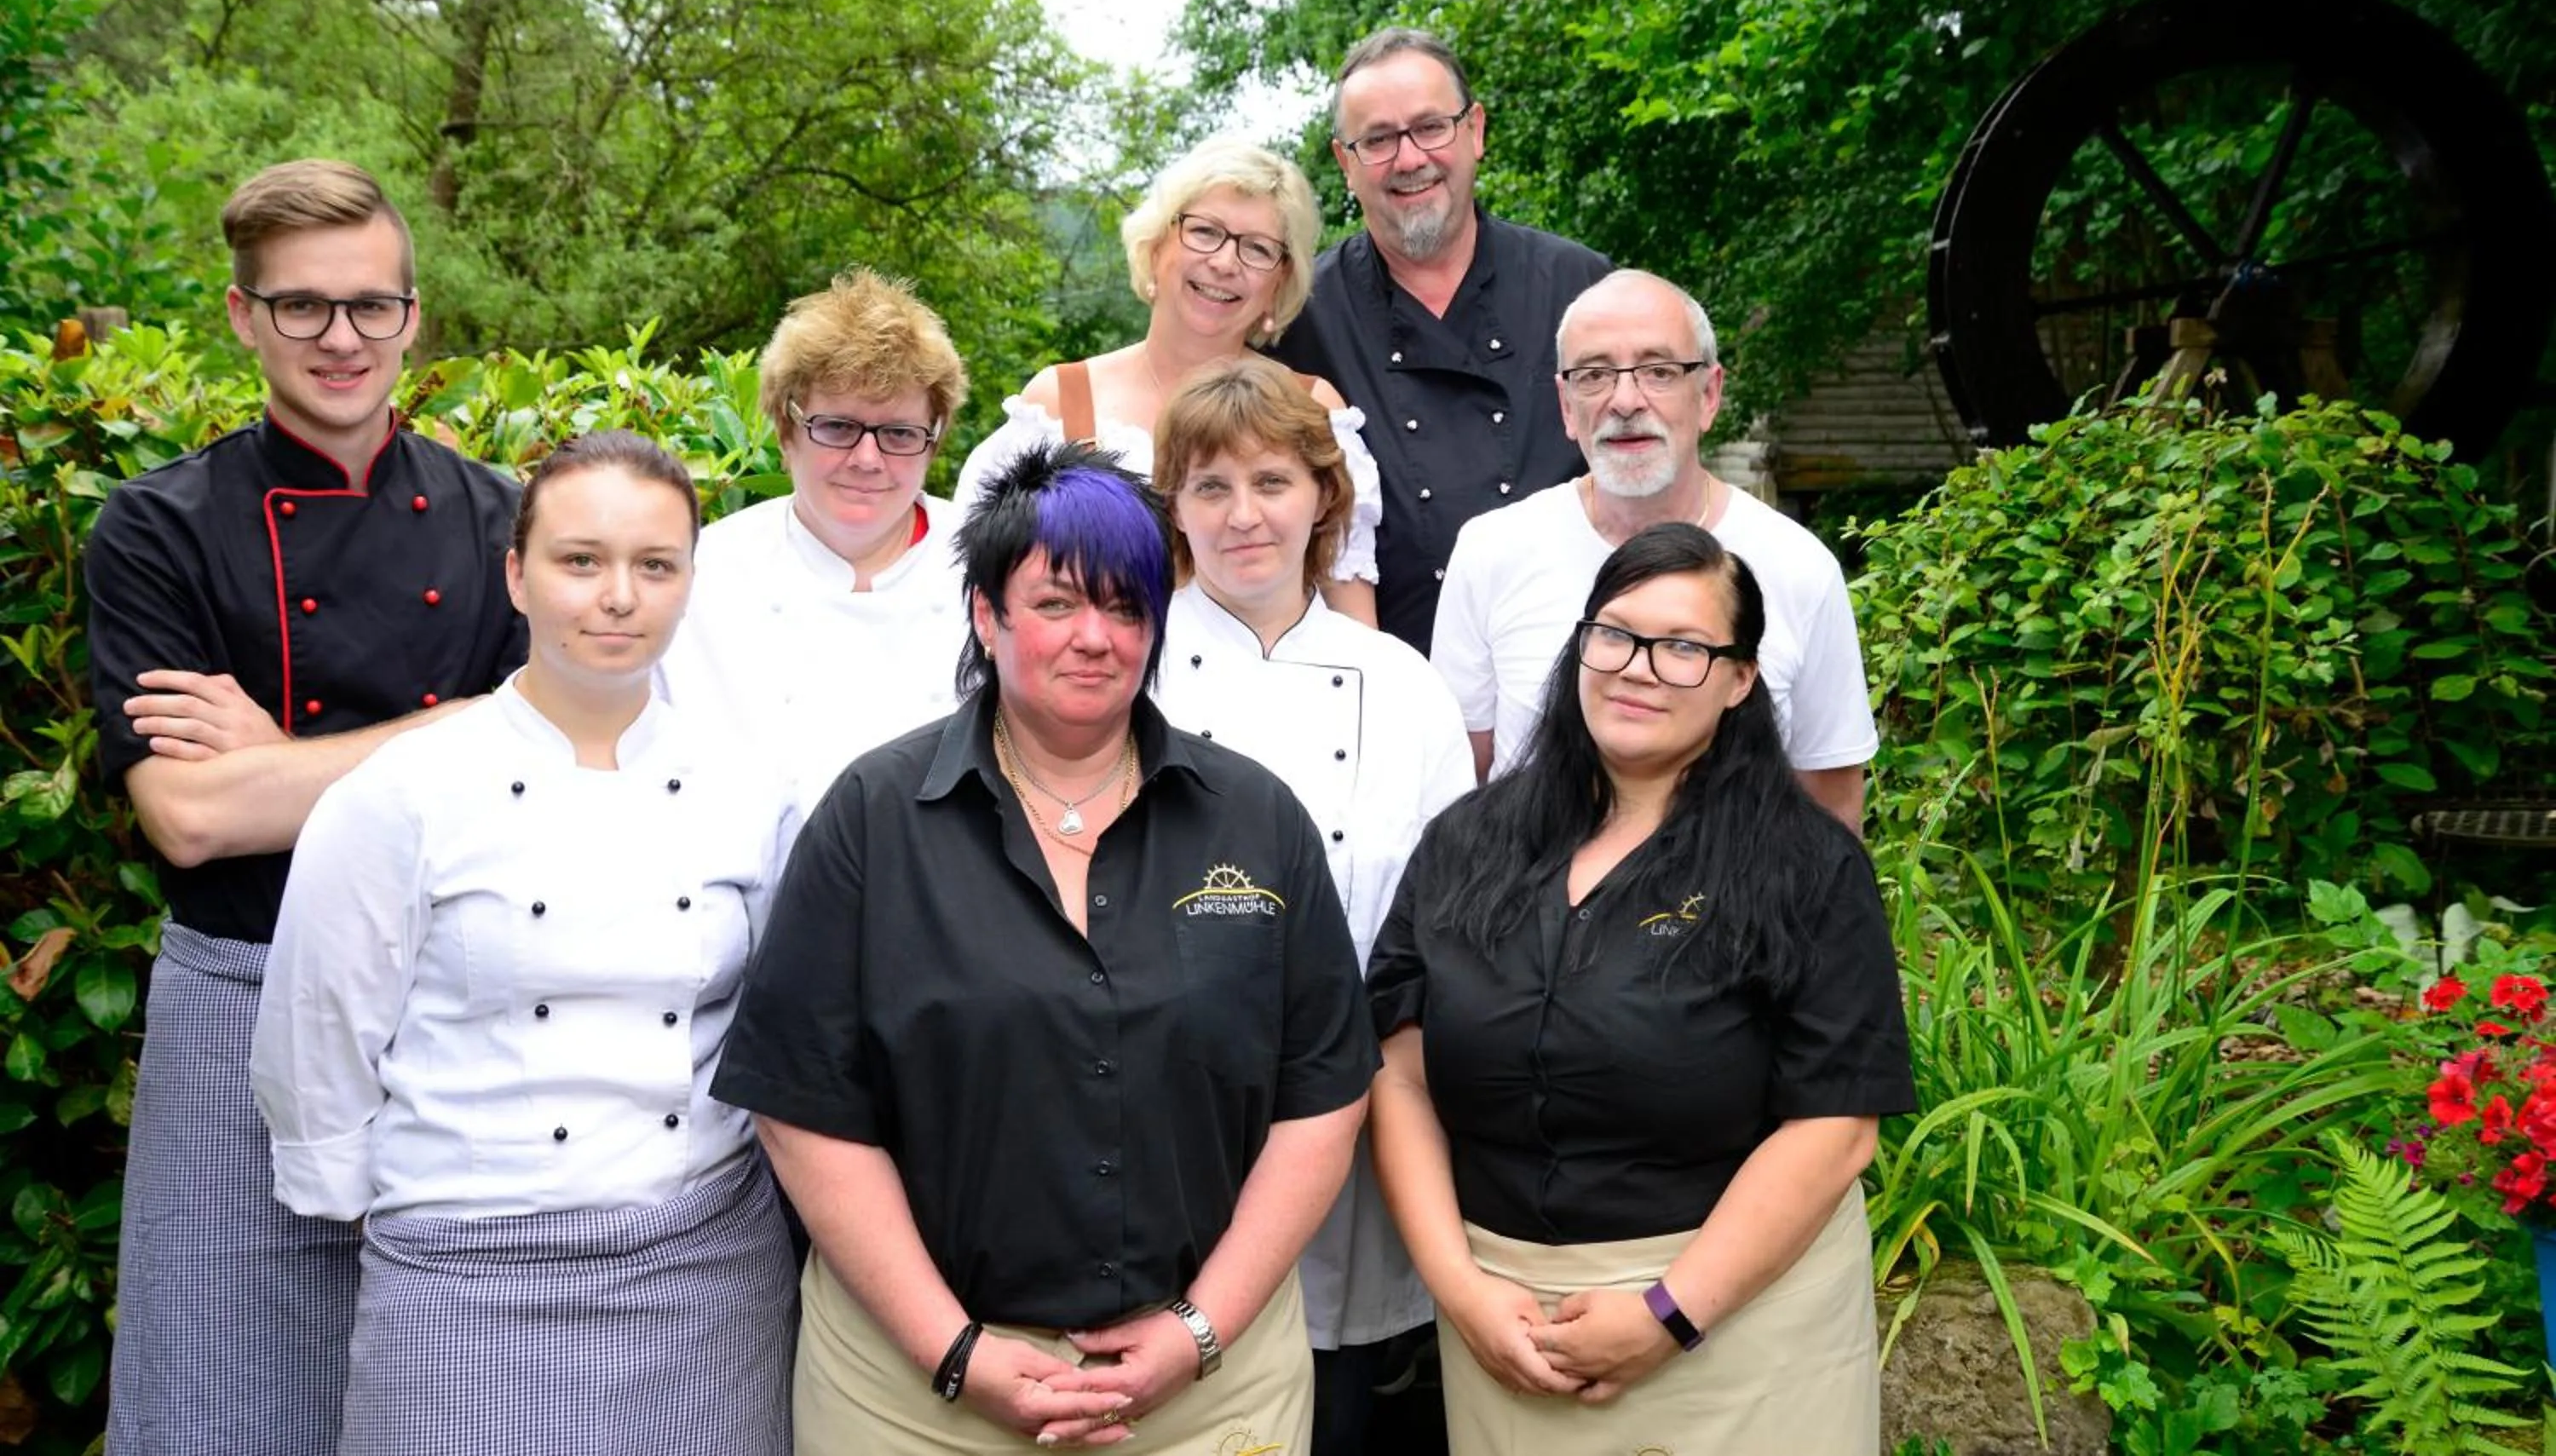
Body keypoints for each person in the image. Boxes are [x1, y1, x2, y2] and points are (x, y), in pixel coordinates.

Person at [713, 443, 1378, 1455]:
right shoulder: (875, 820)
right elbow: (804, 1110)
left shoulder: (1253, 821)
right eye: (1058, 603)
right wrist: (952, 1349)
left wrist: (1199, 1330)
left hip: (1208, 1387)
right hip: (914, 1393)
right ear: (987, 615)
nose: (1096, 639)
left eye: (1126, 608)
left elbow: (1322, 1095)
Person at [85, 158, 524, 1455]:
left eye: (370, 306)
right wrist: (446, 733)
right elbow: (191, 821)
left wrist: (281, 759)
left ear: (414, 316)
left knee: (444, 1388)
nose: (342, 338)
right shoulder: (154, 529)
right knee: (218, 1387)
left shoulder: (504, 519)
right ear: (242, 316)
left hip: (454, 1006)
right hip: (238, 990)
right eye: (302, 308)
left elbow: (534, 781)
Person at [251, 431, 801, 1455]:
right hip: (462, 1274)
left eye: (655, 565)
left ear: (690, 582)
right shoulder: (403, 793)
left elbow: (783, 1021)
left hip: (705, 1267)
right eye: (580, 560)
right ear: (517, 574)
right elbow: (316, 1036)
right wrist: (370, 1214)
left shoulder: (748, 790)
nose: (619, 597)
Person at [1367, 522, 1914, 1454]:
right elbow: (1400, 1072)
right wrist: (1456, 1287)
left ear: (1741, 679)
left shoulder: (1805, 867)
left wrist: (1669, 1312)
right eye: (1615, 634)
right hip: (1506, 1324)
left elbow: (1836, 1127)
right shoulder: (1467, 843)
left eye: (1685, 647)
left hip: (1737, 1327)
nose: (1639, 668)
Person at [1148, 356, 1475, 1456]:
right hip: (1172, 1111)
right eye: (1211, 488)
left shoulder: (1400, 680)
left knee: (1345, 1391)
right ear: (1176, 511)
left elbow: (1448, 915)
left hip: (1364, 1100)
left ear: (1325, 498)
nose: (1245, 516)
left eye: (1273, 482)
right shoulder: (1129, 678)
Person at [1431, 268, 1874, 830]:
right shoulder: (1492, 552)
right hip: (1530, 903)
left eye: (1659, 371)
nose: (1624, 401)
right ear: (1566, 405)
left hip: (1736, 907)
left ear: (1709, 395)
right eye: (1594, 375)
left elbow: (1832, 803)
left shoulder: (1798, 568)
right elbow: (1455, 779)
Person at [1270, 27, 1612, 654]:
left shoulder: (1582, 289)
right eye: (1377, 140)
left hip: (1578, 681)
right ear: (1345, 163)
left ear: (1475, 131)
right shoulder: (1296, 316)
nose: (1408, 159)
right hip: (1383, 692)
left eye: (1431, 127)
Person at [954, 136, 1383, 624]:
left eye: (1258, 248)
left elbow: (1353, 630)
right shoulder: (1059, 404)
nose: (1225, 263)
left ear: (1280, 283)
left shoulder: (1311, 407)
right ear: (1156, 244)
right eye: (1205, 232)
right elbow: (983, 603)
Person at [659, 268, 971, 804]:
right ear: (786, 430)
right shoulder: (704, 572)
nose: (867, 460)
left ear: (933, 441)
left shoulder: (995, 565)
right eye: (838, 428)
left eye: (898, 433)